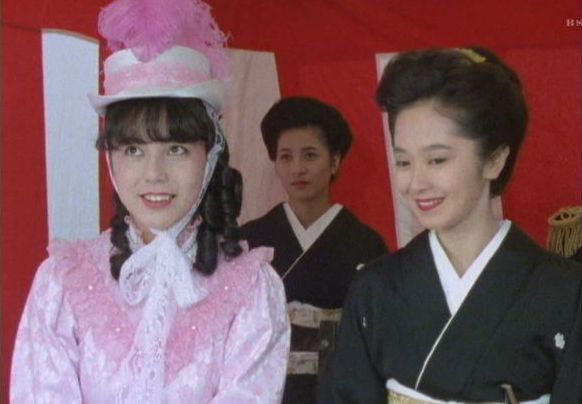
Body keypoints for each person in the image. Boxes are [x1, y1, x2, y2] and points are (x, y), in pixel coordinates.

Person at [10, 0, 290, 402]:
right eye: (134, 150)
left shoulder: (250, 291)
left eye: (176, 149)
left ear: (210, 156)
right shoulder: (62, 284)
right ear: (110, 159)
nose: (154, 173)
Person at [318, 47, 582, 403]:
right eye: (403, 162)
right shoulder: (375, 289)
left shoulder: (565, 292)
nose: (416, 182)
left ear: (494, 159)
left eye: (437, 160)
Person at [240, 96, 388, 403]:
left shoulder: (366, 244)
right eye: (286, 157)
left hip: (340, 392)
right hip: (264, 392)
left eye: (310, 156)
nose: (297, 168)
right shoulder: (250, 241)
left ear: (334, 161)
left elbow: (378, 339)